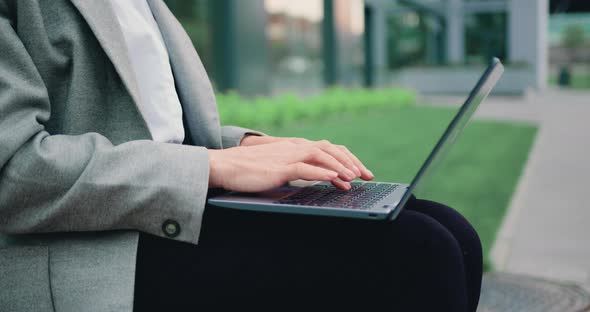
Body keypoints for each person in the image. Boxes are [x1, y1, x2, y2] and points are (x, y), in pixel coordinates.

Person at [0, 0, 482, 311]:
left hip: (154, 207)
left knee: (455, 233)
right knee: (422, 253)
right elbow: (14, 171)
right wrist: (215, 167)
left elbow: (156, 129)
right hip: (76, 249)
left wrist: (247, 147)